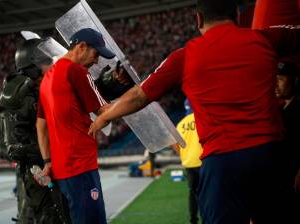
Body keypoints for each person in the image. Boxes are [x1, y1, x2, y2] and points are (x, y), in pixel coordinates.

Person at [88, 0, 300, 223]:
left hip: (222, 162)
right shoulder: (265, 39)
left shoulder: (185, 56)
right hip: (269, 157)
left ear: (198, 19)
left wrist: (106, 115)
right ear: (237, 14)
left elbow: (139, 95)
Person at [36, 28, 116, 224]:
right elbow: (104, 112)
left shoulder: (46, 79)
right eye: (96, 53)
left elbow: (41, 125)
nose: (97, 60)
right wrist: (133, 93)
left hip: (62, 170)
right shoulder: (77, 71)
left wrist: (47, 161)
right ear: (81, 47)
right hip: (81, 166)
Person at [0, 38, 69, 224]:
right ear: (34, 65)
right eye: (46, 61)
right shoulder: (21, 101)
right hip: (36, 180)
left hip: (50, 174)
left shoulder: (41, 94)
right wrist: (47, 152)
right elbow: (9, 149)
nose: (51, 65)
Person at [275, 61, 300, 222]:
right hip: (278, 179)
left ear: (294, 80)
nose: (275, 84)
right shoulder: (275, 109)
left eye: (280, 79)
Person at [172, 99, 202, 224]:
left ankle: (193, 220)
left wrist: (183, 154)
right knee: (207, 193)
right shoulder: (202, 119)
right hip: (203, 161)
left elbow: (174, 143)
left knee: (192, 194)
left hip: (188, 163)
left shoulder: (181, 124)